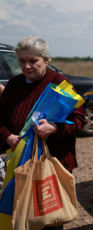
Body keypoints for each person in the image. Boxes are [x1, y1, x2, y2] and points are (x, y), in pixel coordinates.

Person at [0, 36, 85, 230]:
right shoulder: (14, 84)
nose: (27, 66)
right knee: (23, 216)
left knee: (48, 219)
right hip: (20, 163)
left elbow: (79, 120)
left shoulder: (60, 83)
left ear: (46, 60)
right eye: (22, 61)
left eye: (33, 61)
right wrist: (8, 136)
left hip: (53, 164)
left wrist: (54, 128)